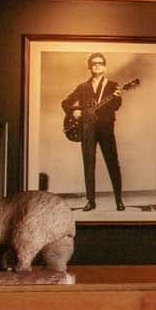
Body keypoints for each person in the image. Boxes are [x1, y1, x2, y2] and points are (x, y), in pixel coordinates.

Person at [62, 52, 127, 212]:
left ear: (105, 67)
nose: (97, 65)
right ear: (89, 68)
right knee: (88, 164)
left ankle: (119, 200)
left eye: (100, 63)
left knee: (112, 163)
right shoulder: (82, 87)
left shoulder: (112, 85)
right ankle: (90, 201)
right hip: (87, 128)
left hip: (106, 128)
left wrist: (117, 97)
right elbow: (66, 103)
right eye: (94, 63)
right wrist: (75, 110)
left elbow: (116, 106)